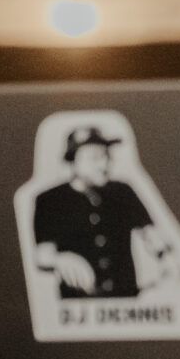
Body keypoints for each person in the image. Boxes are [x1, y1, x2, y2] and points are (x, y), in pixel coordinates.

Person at [29, 126, 157, 299]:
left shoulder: (122, 192)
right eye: (95, 157)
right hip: (78, 304)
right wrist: (60, 259)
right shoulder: (51, 199)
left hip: (126, 300)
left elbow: (153, 236)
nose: (104, 165)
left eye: (107, 156)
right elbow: (43, 255)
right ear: (73, 160)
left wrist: (168, 263)